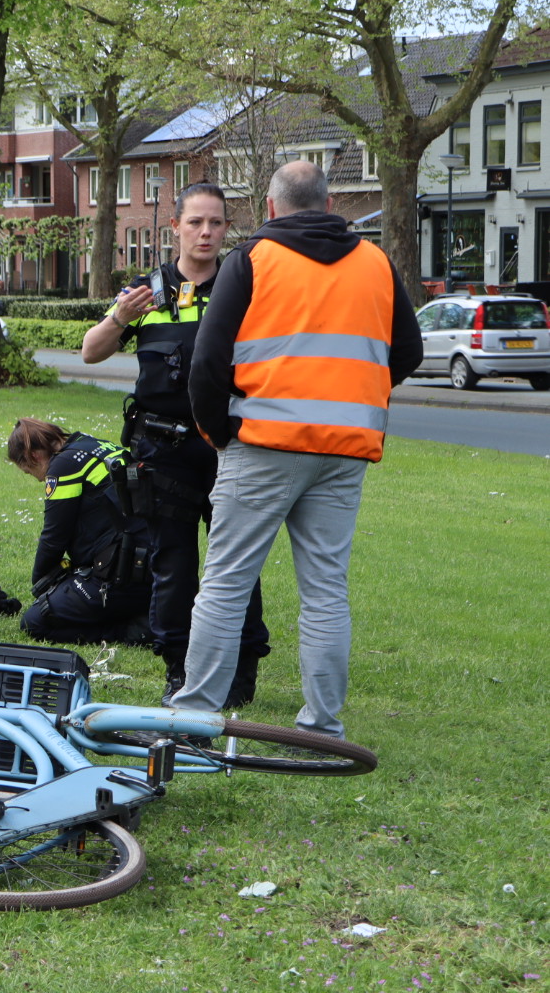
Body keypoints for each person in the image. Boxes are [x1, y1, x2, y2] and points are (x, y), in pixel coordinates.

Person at [172, 161, 421, 737]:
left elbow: (208, 362)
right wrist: (353, 393)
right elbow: (405, 352)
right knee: (326, 587)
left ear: (269, 206)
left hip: (262, 442)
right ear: (331, 206)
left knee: (227, 581)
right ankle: (322, 724)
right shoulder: (375, 263)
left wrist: (218, 431)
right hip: (345, 449)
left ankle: (194, 715)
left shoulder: (251, 261)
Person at [80, 183, 270, 706]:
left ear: (227, 228)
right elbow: (90, 351)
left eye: (216, 223)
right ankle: (178, 670)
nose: (206, 233)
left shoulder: (242, 287)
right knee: (173, 562)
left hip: (231, 445)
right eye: (196, 223)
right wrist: (121, 316)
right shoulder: (149, 292)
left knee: (235, 563)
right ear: (176, 228)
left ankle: (241, 669)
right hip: (164, 451)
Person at [7, 418, 152, 645]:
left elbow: (54, 536)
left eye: (29, 472)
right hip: (151, 567)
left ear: (34, 456)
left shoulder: (63, 466)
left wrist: (41, 586)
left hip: (123, 575)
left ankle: (133, 631)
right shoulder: (92, 445)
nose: (38, 479)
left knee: (35, 621)